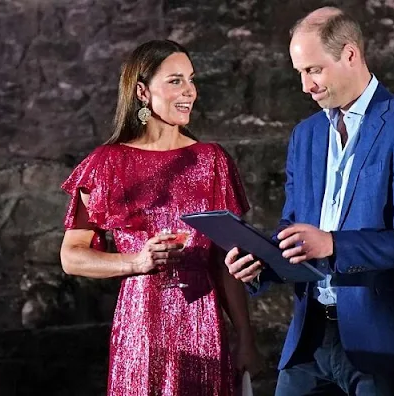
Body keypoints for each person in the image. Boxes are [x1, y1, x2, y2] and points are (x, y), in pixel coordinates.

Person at [224, 7, 394, 396]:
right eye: (300, 73)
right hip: (310, 341)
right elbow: (294, 230)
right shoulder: (305, 136)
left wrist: (333, 244)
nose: (305, 85)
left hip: (383, 348)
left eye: (314, 70)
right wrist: (261, 263)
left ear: (350, 54)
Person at [59, 39, 261, 396]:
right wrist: (135, 262)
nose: (189, 91)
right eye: (175, 80)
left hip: (203, 325)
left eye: (191, 79)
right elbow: (72, 256)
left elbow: (225, 261)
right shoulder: (106, 164)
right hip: (140, 328)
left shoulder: (212, 161)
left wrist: (245, 338)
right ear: (141, 91)